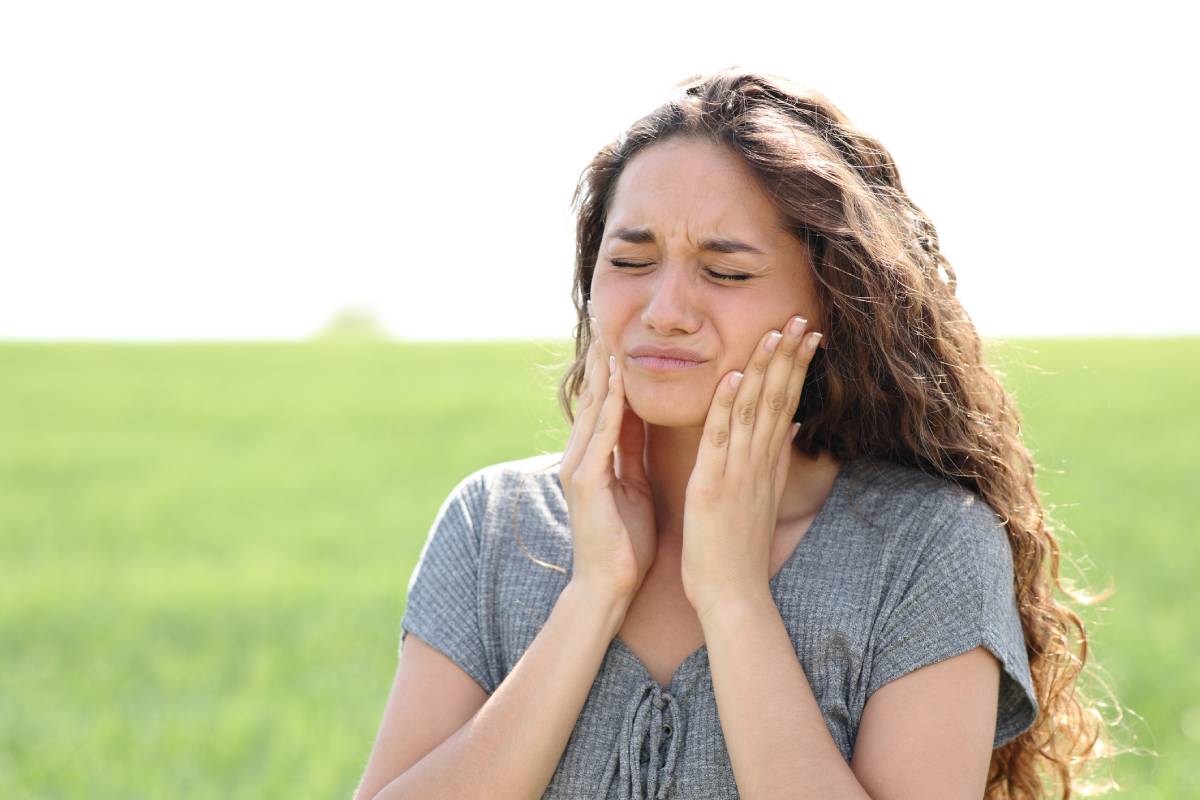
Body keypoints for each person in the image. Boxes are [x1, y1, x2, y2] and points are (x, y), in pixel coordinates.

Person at [355, 68, 1118, 800]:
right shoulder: (493, 525)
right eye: (630, 259)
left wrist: (733, 596)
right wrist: (593, 594)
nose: (664, 309)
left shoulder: (927, 549)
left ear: (833, 302)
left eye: (725, 272)